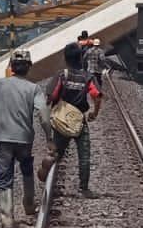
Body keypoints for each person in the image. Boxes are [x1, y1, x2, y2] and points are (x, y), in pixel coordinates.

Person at [0, 50, 45, 228]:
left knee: (4, 177)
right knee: (26, 169)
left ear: (12, 68)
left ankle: (7, 219)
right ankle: (29, 205)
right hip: (24, 139)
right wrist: (50, 138)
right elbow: (44, 116)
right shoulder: (34, 89)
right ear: (29, 67)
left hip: (3, 139)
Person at [39, 42, 102, 197]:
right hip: (79, 121)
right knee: (84, 155)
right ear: (81, 59)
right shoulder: (87, 77)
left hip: (61, 120)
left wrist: (51, 110)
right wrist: (94, 112)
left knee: (57, 151)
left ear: (65, 58)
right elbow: (97, 95)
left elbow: (51, 96)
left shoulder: (62, 75)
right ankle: (84, 188)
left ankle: (48, 166)